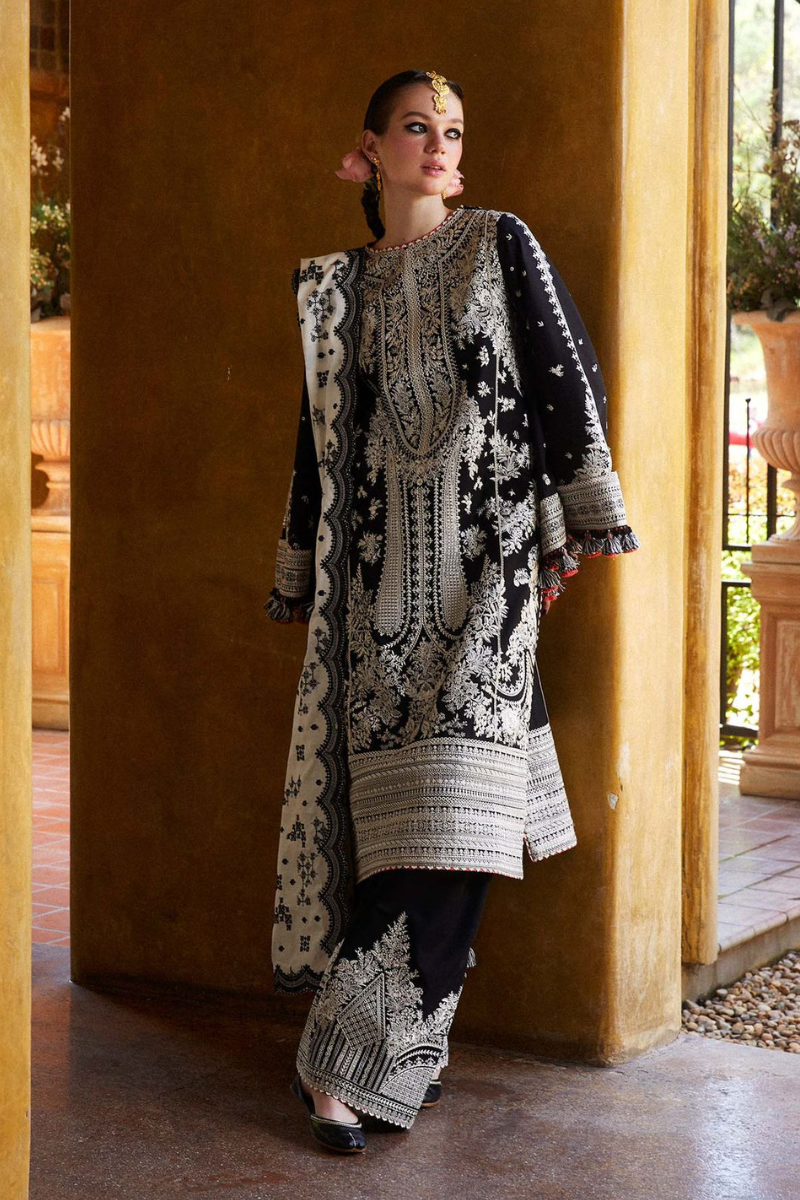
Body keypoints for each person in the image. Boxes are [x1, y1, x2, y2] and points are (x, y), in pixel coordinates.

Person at [265, 69, 640, 1154]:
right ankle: (404, 1053)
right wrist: (299, 568)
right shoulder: (338, 289)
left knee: (463, 823)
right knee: (394, 837)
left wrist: (579, 519)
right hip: (375, 594)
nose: (438, 144)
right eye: (416, 127)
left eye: (453, 131)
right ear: (371, 148)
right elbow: (319, 440)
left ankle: (339, 1062)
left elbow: (566, 373)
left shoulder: (497, 243)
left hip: (488, 577)